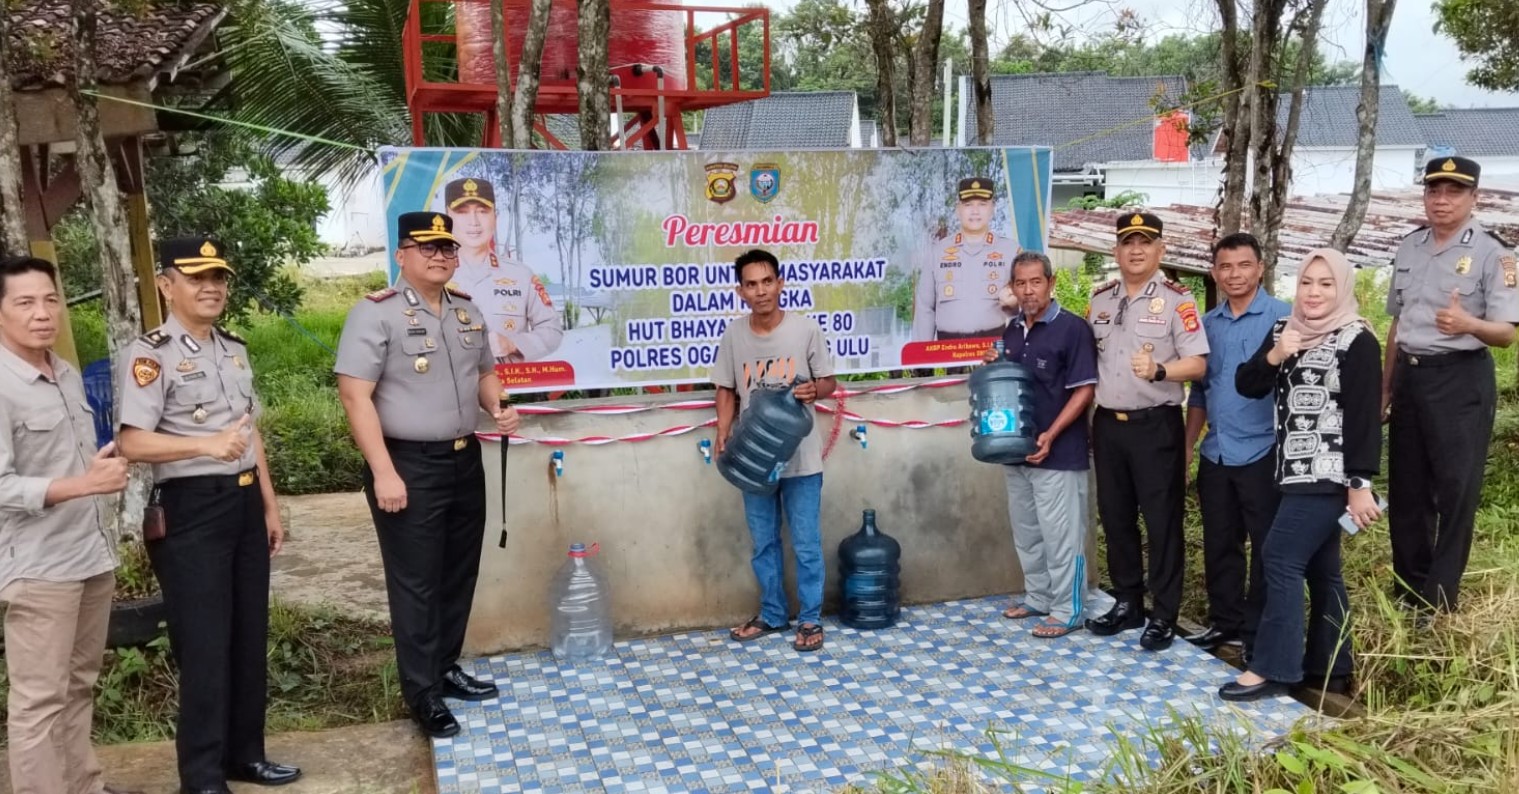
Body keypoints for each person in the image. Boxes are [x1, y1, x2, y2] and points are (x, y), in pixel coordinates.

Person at [117, 238, 299, 792]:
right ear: (166, 285)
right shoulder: (149, 354)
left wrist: (268, 504)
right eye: (196, 277)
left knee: (247, 633)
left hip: (243, 503)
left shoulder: (233, 348)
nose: (211, 286)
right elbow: (132, 443)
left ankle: (245, 755)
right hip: (191, 510)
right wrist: (202, 448)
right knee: (204, 642)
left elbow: (248, 433)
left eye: (218, 277)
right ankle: (200, 774)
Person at [335, 211, 521, 739]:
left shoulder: (466, 310)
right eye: (427, 247)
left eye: (447, 247)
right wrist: (384, 473)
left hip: (465, 459)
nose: (440, 255)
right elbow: (355, 396)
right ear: (401, 255)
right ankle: (422, 693)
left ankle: (444, 666)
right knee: (416, 582)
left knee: (457, 571)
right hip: (407, 465)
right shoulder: (375, 315)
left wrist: (500, 406)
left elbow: (485, 373)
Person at [0, 256, 138, 794]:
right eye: (25, 303)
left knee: (80, 684)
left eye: (51, 300)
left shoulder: (62, 372)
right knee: (38, 701)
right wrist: (85, 484)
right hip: (38, 568)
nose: (43, 314)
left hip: (89, 555)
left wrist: (100, 470)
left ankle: (84, 785)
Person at [1221, 248, 1382, 702]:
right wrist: (1276, 354)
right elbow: (1247, 384)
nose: (1313, 292)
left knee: (1280, 560)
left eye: (1325, 284)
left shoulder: (1356, 340)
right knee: (1322, 571)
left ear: (1343, 288)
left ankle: (1274, 668)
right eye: (1307, 282)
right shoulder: (1285, 330)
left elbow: (1364, 419)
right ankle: (1330, 667)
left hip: (1329, 476)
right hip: (1289, 472)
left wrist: (1359, 485)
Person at [1384, 156, 1519, 613]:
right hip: (1410, 375)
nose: (1441, 200)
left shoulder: (1494, 253)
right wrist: (1386, 387)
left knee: (1454, 490)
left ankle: (1439, 600)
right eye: (1433, 191)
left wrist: (1467, 322)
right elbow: (1396, 324)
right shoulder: (1409, 246)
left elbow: (1506, 333)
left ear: (1473, 197)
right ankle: (1409, 591)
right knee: (1407, 489)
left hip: (1460, 381)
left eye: (1453, 192)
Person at [1084, 212, 1208, 651]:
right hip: (1108, 424)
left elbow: (1198, 363)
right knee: (1115, 519)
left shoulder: (1178, 300)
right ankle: (1128, 602)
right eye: (1128, 242)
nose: (1136, 250)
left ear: (1160, 250)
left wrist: (1160, 369)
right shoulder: (1099, 300)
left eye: (1145, 242)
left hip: (1156, 425)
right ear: (1116, 250)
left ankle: (1164, 613)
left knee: (1162, 523)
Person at [714, 248, 838, 653]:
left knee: (805, 542)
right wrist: (722, 432)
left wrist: (812, 389)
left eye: (767, 281)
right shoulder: (734, 335)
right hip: (754, 461)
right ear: (740, 291)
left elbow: (829, 382)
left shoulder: (805, 331)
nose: (761, 290)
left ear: (780, 284)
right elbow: (726, 388)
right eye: (751, 284)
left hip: (802, 459)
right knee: (763, 542)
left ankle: (810, 619)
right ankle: (771, 614)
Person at [1183, 233, 1290, 653]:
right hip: (1217, 451)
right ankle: (1224, 622)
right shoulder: (1207, 325)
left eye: (1244, 265)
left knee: (1265, 547)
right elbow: (1200, 393)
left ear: (1261, 267)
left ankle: (1256, 631)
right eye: (1225, 267)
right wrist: (1189, 446)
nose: (1234, 275)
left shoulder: (1284, 319)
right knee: (1220, 542)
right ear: (1214, 272)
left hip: (1264, 451)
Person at [981, 252, 1097, 638]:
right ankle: (1039, 596)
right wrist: (991, 366)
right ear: (1012, 287)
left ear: (1051, 283)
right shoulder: (1011, 331)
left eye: (1035, 282)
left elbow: (1083, 391)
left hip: (1060, 454)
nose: (1028, 291)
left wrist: (1052, 434)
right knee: (1028, 531)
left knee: (1061, 536)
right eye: (1020, 283)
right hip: (1017, 452)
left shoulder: (1072, 329)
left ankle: (1068, 609)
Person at [443, 177, 565, 363]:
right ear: (447, 217)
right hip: (450, 389)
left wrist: (513, 344)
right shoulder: (431, 275)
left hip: (510, 387)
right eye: (462, 212)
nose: (474, 222)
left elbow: (552, 330)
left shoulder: (520, 275)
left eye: (482, 211)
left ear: (495, 217)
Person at [911, 177, 1019, 342]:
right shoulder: (938, 252)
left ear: (992, 209)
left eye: (982, 204)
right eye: (968, 205)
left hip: (995, 345)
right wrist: (921, 358)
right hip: (949, 348)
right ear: (958, 209)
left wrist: (1013, 305)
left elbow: (1026, 304)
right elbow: (925, 307)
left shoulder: (1011, 251)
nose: (975, 211)